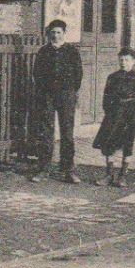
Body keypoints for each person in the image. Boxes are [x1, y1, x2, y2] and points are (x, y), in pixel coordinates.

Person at [28, 19, 83, 183]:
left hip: (66, 95)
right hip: (47, 96)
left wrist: (70, 91)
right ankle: (43, 168)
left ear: (64, 34)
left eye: (59, 32)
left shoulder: (72, 51)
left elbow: (78, 74)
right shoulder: (43, 51)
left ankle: (68, 170)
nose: (56, 36)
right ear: (48, 34)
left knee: (67, 132)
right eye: (53, 33)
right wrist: (45, 91)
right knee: (46, 132)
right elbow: (36, 73)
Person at [92, 48, 135, 187]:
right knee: (109, 143)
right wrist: (108, 110)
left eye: (127, 60)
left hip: (130, 114)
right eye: (121, 60)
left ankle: (122, 176)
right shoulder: (112, 77)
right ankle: (109, 175)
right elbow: (106, 96)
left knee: (127, 142)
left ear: (133, 62)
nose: (123, 63)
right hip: (114, 113)